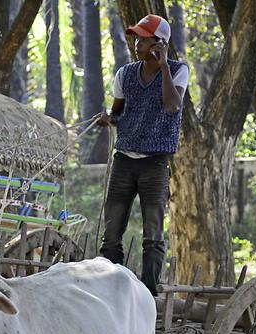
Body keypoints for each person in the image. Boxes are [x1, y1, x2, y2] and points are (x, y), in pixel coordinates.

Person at [94, 14, 189, 295]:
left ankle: (147, 294)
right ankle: (111, 290)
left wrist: (163, 69)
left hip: (155, 164)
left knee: (153, 235)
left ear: (160, 43)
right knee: (111, 234)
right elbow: (117, 113)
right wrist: (108, 119)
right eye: (136, 37)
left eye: (144, 38)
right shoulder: (125, 74)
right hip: (124, 160)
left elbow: (173, 106)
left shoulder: (178, 70)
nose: (137, 43)